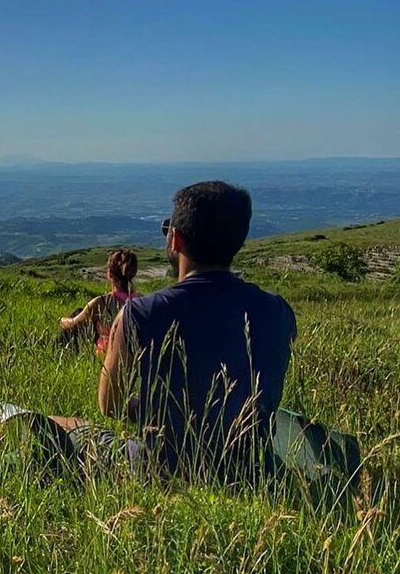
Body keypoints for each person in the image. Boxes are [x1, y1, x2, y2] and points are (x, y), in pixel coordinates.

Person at [93, 180, 297, 479]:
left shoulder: (140, 313)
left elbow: (109, 405)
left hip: (162, 469)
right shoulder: (278, 311)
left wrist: (157, 415)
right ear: (239, 240)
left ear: (175, 239)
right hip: (249, 471)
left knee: (65, 427)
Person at [59, 249, 139, 355]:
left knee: (79, 314)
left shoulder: (101, 302)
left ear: (110, 274)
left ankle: (61, 353)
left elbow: (73, 323)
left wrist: (62, 320)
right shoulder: (142, 301)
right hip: (135, 354)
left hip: (108, 354)